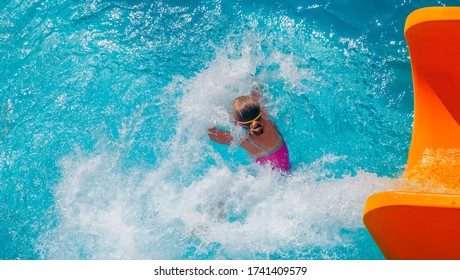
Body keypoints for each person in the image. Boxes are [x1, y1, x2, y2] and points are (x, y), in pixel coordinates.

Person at [208, 86, 292, 172]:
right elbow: (256, 91)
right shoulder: (266, 120)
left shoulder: (244, 140)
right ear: (258, 110)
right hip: (287, 171)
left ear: (236, 122)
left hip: (272, 178)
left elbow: (210, 133)